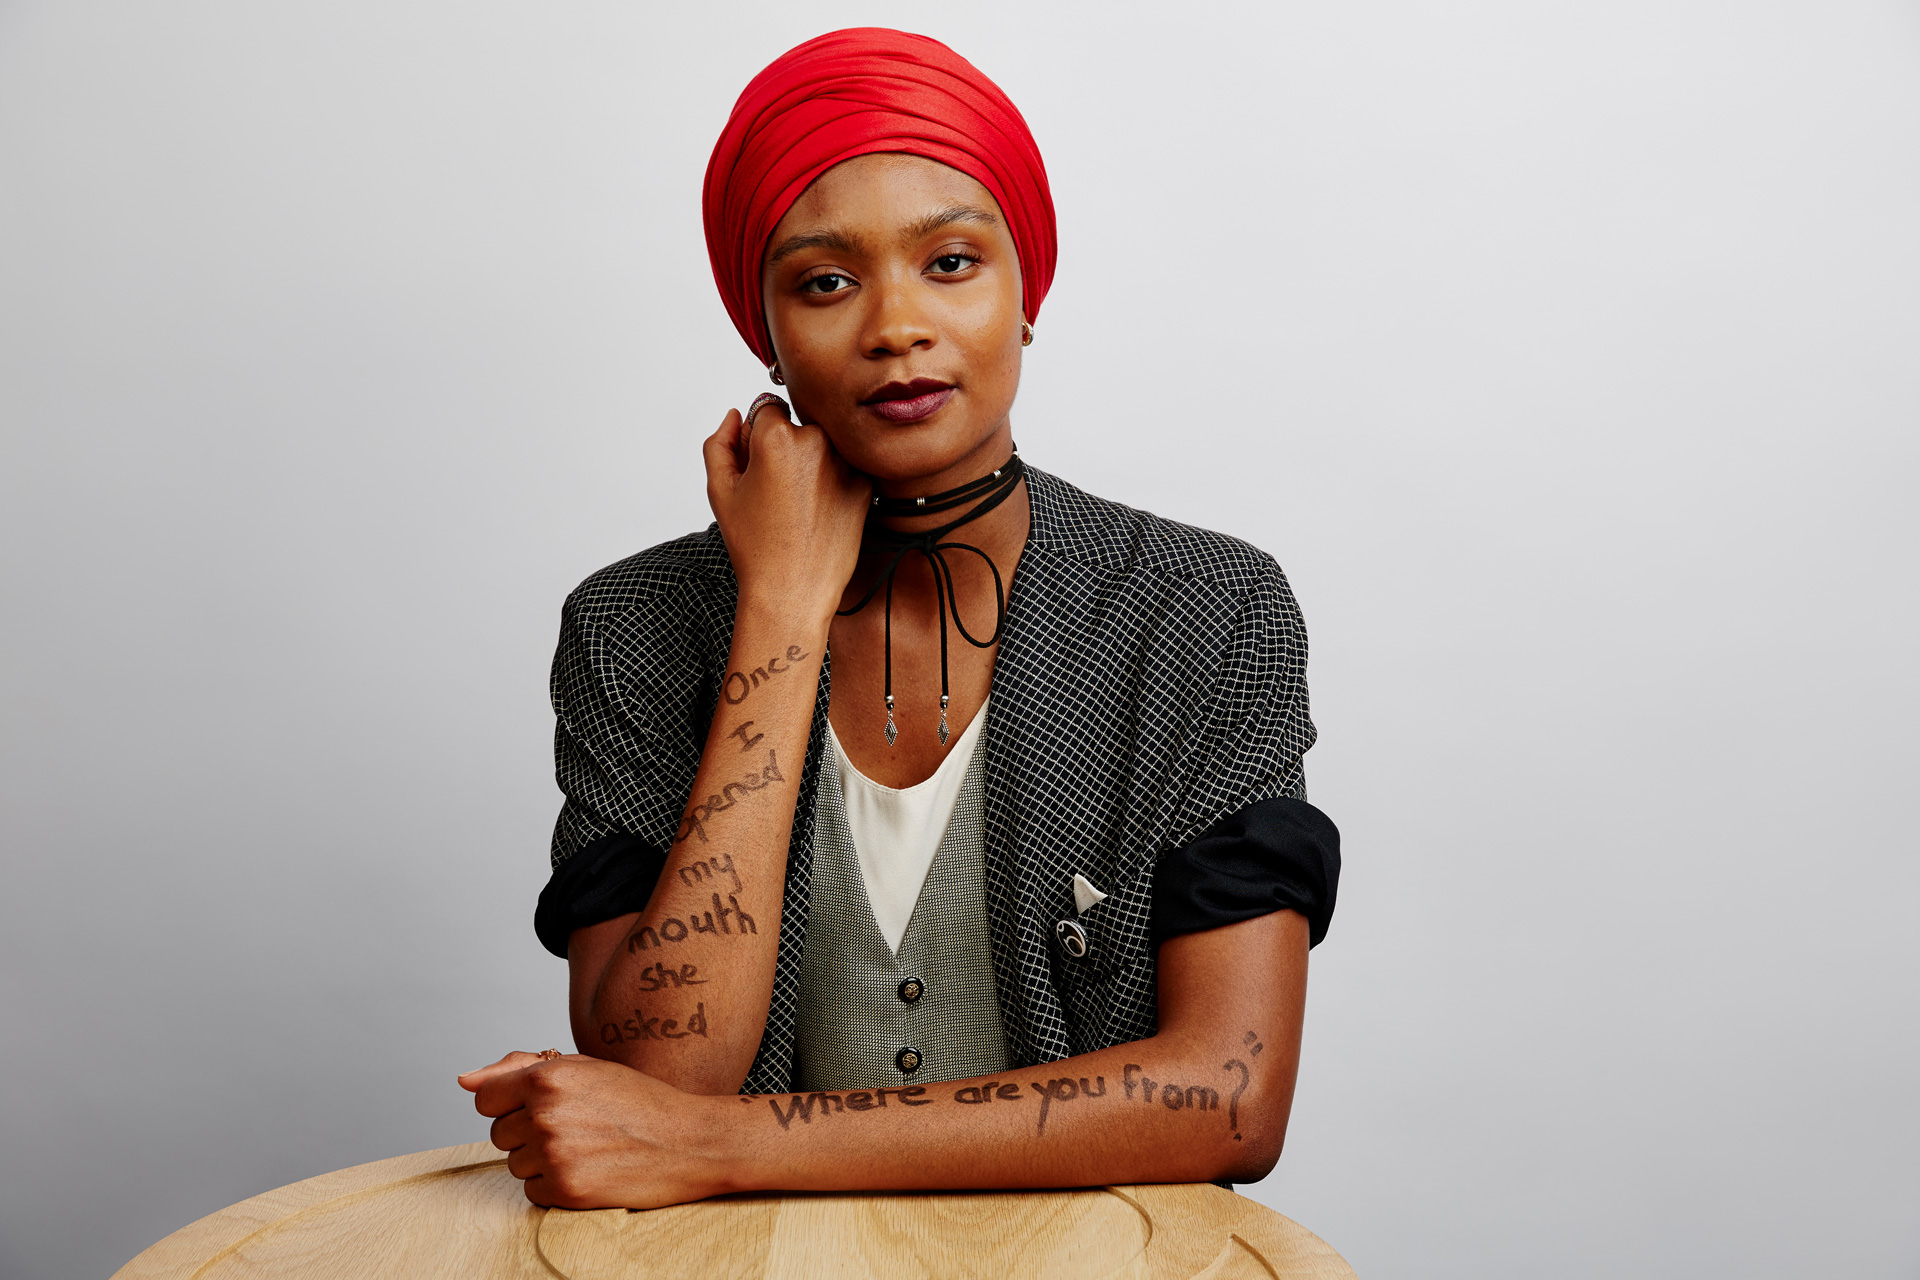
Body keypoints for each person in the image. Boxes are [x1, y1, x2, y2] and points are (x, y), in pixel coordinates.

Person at [459, 27, 1339, 1210]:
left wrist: (722, 1145)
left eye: (952, 262)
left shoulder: (1205, 610)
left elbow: (1229, 1095)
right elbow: (660, 1077)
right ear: (766, 334)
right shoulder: (634, 627)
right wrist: (779, 611)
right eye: (825, 282)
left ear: (1027, 293)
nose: (894, 326)